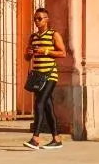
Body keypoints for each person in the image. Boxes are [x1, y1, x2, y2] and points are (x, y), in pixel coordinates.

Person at [25, 8, 67, 150]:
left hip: (50, 74)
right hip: (38, 76)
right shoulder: (33, 37)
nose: (36, 21)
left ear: (47, 19)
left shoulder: (53, 35)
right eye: (35, 18)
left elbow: (63, 53)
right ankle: (56, 139)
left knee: (40, 103)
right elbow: (27, 58)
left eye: (39, 18)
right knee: (48, 107)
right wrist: (29, 53)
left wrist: (46, 51)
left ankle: (35, 138)